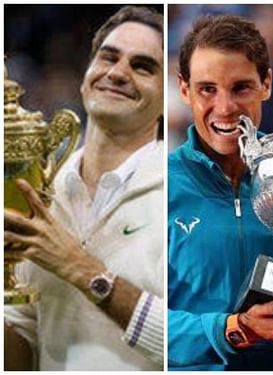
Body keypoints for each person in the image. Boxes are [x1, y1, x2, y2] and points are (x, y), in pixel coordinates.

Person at [4, 6, 164, 371]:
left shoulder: (183, 197)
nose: (117, 72)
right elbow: (22, 343)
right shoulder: (42, 189)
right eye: (108, 57)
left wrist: (80, 268)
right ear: (85, 75)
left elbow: (195, 346)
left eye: (142, 66)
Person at [168, 14, 273, 371]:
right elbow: (140, 320)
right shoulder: (159, 186)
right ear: (183, 89)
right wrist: (232, 329)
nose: (225, 109)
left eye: (241, 88)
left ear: (266, 84)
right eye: (207, 89)